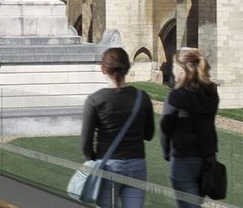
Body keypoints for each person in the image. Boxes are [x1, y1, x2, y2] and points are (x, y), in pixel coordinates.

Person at [81, 47, 155, 208]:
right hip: (136, 163)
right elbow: (149, 134)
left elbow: (85, 144)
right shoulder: (142, 97)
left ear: (103, 69)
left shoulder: (95, 100)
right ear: (128, 68)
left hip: (108, 165)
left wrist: (94, 159)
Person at [159, 47, 220, 208]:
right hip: (208, 157)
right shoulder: (211, 92)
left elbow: (165, 129)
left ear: (181, 69)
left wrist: (167, 153)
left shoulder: (176, 96)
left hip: (183, 159)